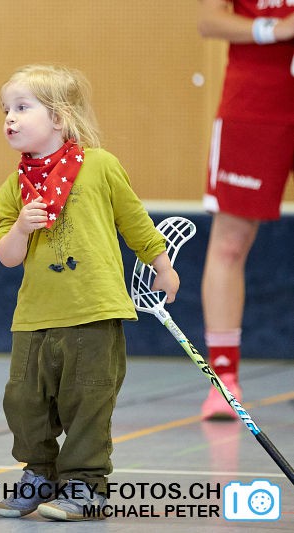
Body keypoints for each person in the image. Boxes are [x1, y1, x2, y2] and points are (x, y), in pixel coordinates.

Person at [0, 64, 180, 521]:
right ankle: (39, 471)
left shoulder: (100, 165)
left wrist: (162, 263)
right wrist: (20, 227)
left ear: (59, 118)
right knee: (22, 401)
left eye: (22, 107)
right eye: (5, 110)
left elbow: (134, 221)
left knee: (88, 400)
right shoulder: (15, 186)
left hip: (93, 311)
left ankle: (84, 484)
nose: (9, 119)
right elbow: (6, 254)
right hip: (35, 318)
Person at [197, 0, 294, 420]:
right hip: (255, 104)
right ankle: (224, 380)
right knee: (231, 243)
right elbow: (209, 19)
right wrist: (274, 29)